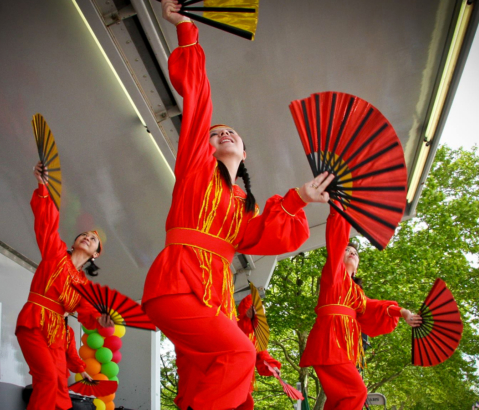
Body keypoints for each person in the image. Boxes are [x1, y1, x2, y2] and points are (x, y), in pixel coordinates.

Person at [141, 2, 334, 409]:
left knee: (220, 383)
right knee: (238, 355)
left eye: (232, 134)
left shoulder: (242, 206)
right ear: (204, 146)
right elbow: (198, 96)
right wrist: (186, 30)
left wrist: (300, 197)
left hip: (216, 298)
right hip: (177, 285)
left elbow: (263, 237)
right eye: (216, 134)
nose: (223, 135)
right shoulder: (195, 168)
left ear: (245, 153)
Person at [299, 203, 422, 410]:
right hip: (329, 342)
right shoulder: (333, 274)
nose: (350, 251)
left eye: (355, 251)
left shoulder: (358, 296)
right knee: (357, 393)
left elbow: (378, 307)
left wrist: (403, 313)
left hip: (343, 349)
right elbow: (337, 238)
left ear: (357, 269)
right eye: (347, 249)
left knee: (339, 399)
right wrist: (339, 207)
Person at [16, 161, 114, 410]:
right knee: (48, 380)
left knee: (59, 390)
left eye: (93, 240)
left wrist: (103, 321)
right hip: (35, 322)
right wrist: (43, 186)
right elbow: (46, 222)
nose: (88, 237)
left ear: (95, 255)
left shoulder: (84, 286)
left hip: (58, 335)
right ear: (74, 241)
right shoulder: (55, 253)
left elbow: (89, 315)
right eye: (85, 235)